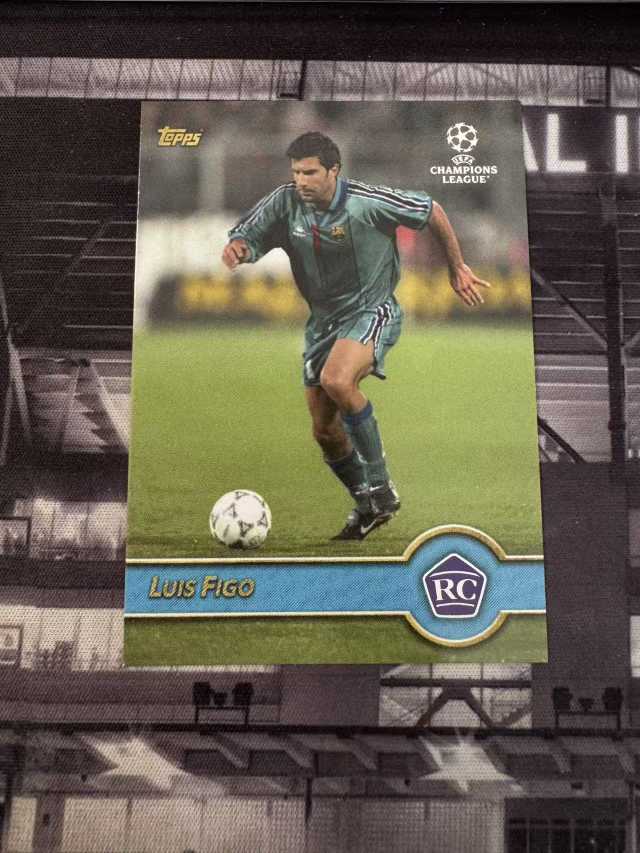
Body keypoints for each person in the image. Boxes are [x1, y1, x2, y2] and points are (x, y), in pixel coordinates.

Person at [222, 132, 490, 541]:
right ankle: (367, 504)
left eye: (311, 172)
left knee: (337, 379)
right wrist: (239, 249)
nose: (301, 181)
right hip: (322, 324)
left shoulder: (368, 202)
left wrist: (457, 268)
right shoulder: (285, 201)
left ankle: (382, 488)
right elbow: (247, 234)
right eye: (296, 172)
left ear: (334, 170)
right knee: (325, 432)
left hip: (372, 310)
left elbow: (430, 209)